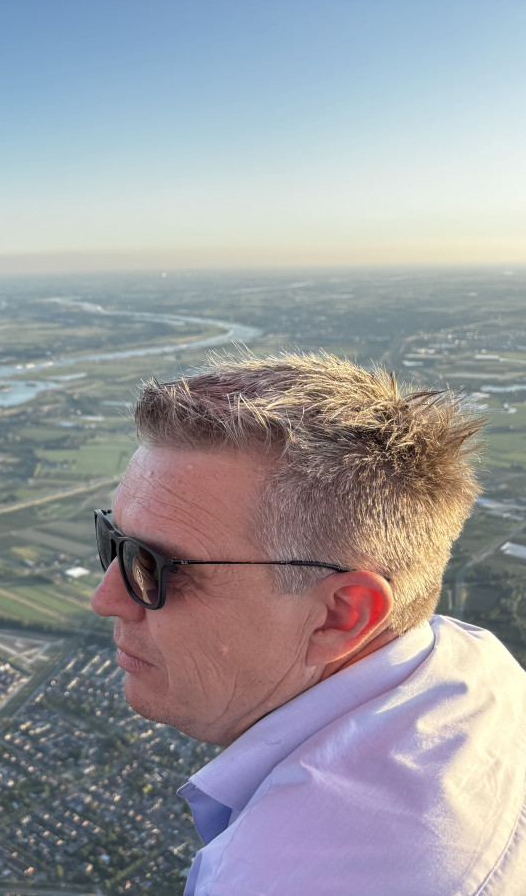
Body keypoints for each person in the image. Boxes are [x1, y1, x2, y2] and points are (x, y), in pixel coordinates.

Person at [90, 351, 526, 894]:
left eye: (154, 565)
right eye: (112, 541)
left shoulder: (272, 877)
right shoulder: (480, 668)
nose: (106, 598)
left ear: (339, 617)